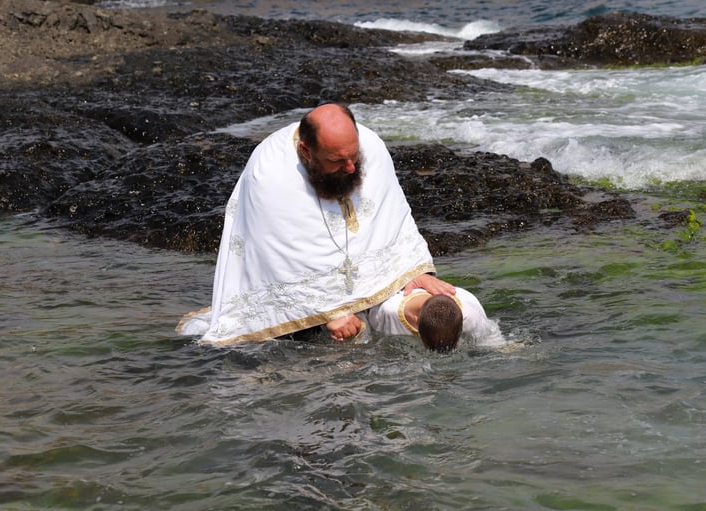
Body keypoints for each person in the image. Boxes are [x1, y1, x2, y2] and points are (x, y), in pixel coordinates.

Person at [177, 103, 455, 346]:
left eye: (353, 157)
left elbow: (391, 216)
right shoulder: (269, 175)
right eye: (335, 161)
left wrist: (409, 269)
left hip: (363, 273)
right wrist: (327, 312)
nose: (349, 168)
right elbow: (274, 254)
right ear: (306, 152)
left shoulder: (370, 145)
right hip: (298, 287)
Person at [364, 286, 498, 352]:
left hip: (457, 295)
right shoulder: (388, 312)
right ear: (416, 321)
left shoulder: (470, 316)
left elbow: (491, 335)